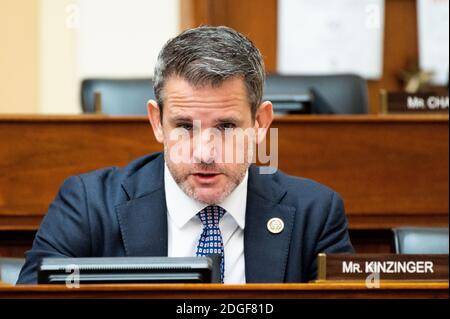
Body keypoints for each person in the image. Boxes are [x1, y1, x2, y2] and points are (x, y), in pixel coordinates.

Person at [17, 26, 353, 284]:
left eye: (225, 127)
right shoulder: (89, 205)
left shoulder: (315, 214)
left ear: (261, 123)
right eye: (184, 127)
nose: (204, 153)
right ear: (157, 122)